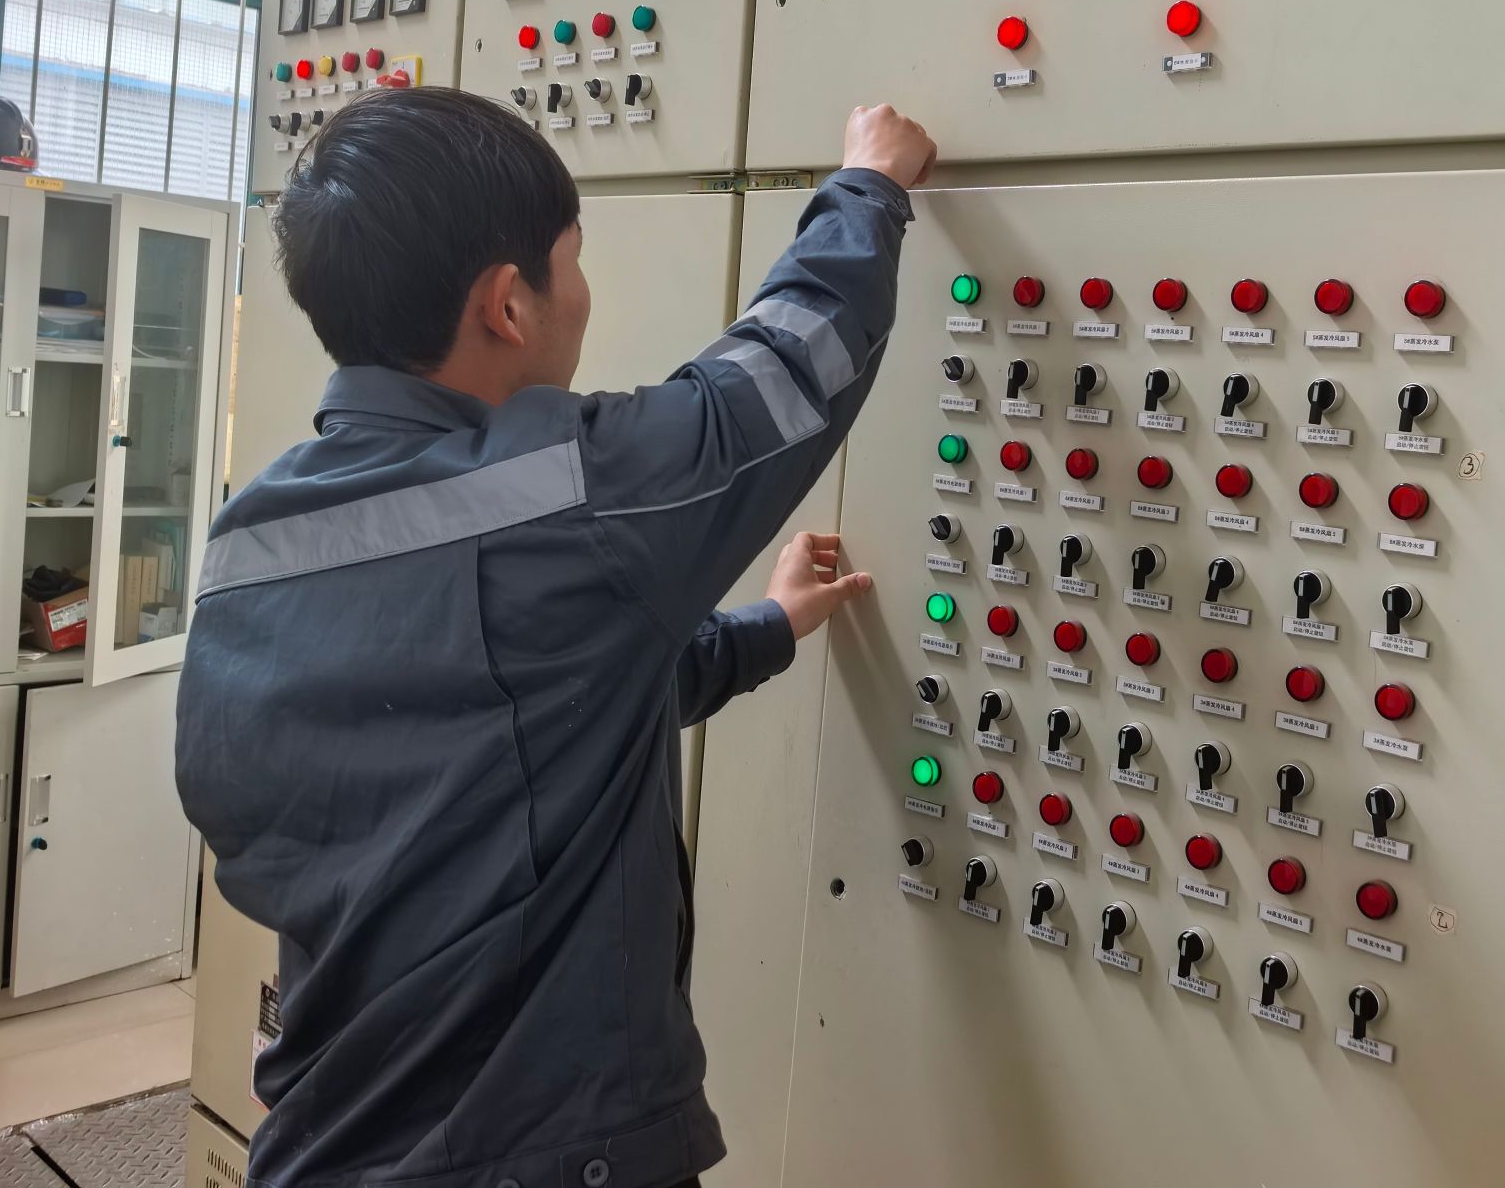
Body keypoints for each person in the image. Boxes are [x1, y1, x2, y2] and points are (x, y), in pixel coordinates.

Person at [175, 86, 935, 1188]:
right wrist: (867, 186)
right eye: (571, 263)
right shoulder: (555, 497)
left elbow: (511, 720)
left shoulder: (258, 534)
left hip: (325, 1137)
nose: (580, 292)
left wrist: (766, 629)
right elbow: (782, 373)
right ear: (508, 305)